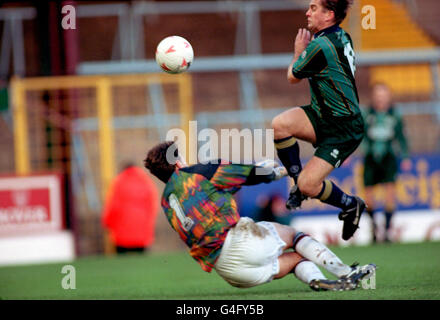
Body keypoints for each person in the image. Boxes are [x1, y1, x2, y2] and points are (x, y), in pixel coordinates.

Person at [143, 141, 375, 291]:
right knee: (294, 236)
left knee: (297, 260)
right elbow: (244, 173)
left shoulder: (167, 202)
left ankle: (317, 281)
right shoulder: (196, 174)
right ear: (176, 163)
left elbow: (208, 203)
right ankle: (346, 273)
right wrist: (272, 172)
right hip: (239, 242)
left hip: (229, 271)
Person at [271, 0, 365, 241]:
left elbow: (292, 76)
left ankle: (351, 204)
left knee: (309, 185)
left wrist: (298, 50)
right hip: (322, 114)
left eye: (313, 8)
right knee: (280, 125)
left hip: (343, 128)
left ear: (329, 14)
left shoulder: (320, 45)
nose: (307, 12)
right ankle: (297, 187)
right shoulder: (341, 36)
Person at [362, 82, 411, 243]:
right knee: (368, 197)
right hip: (370, 158)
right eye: (378, 95)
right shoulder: (367, 114)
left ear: (389, 97)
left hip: (389, 157)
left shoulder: (394, 115)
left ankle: (388, 230)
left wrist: (405, 157)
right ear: (373, 97)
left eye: (383, 95)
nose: (381, 99)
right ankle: (374, 228)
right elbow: (359, 135)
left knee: (390, 194)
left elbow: (401, 137)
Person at [102, 162, 160, 254]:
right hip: (142, 232)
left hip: (121, 234)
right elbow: (152, 206)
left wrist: (107, 223)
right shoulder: (146, 182)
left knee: (122, 264)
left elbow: (113, 206)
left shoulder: (118, 182)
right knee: (141, 263)